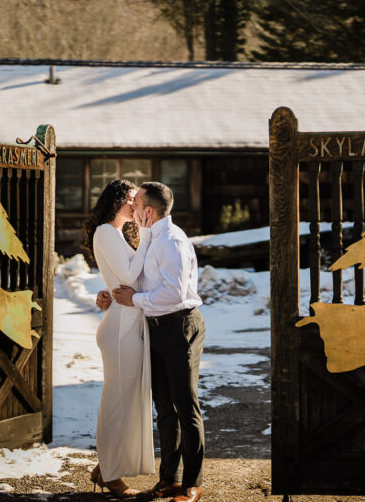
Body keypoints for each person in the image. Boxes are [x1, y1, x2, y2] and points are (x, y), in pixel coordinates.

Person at [98, 181, 206, 502]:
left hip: (180, 327)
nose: (132, 208)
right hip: (155, 330)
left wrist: (136, 299)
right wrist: (111, 295)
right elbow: (135, 279)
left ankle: (192, 485)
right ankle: (169, 480)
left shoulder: (171, 241)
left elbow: (173, 294)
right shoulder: (150, 238)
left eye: (137, 203)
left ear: (148, 211)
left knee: (186, 408)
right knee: (165, 410)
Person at [83, 179, 156, 498]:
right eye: (131, 198)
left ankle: (106, 467)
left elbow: (125, 281)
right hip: (120, 330)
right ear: (117, 200)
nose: (136, 204)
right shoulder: (105, 232)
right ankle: (111, 475)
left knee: (130, 402)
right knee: (117, 400)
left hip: (128, 323)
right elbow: (129, 279)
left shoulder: (120, 236)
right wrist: (150, 235)